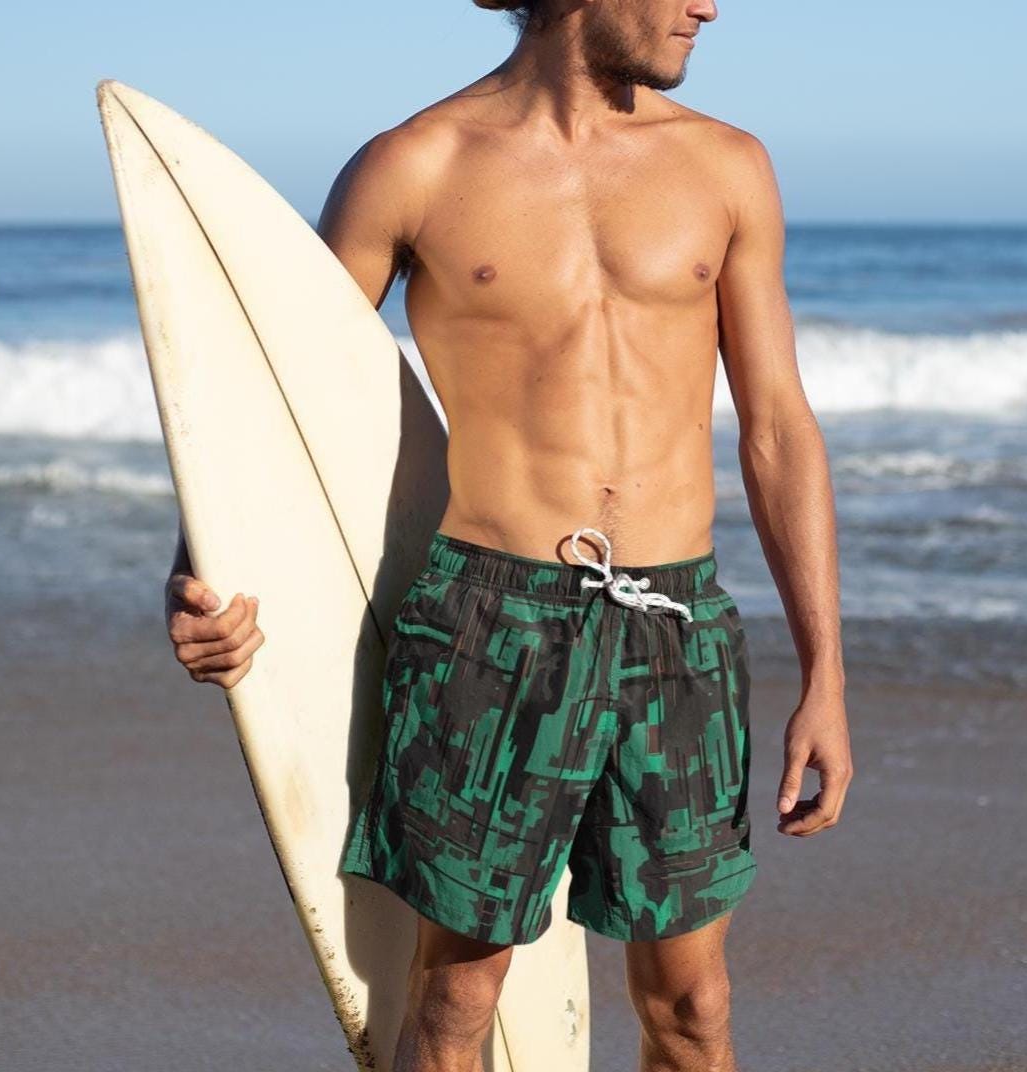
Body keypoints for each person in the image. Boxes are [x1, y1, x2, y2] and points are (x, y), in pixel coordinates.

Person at [163, 1, 851, 1068]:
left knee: (693, 1005)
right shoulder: (413, 168)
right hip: (490, 627)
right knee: (453, 999)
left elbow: (776, 429)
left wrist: (826, 674)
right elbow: (277, 400)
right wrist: (198, 567)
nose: (708, 5)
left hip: (677, 627)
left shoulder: (726, 167)